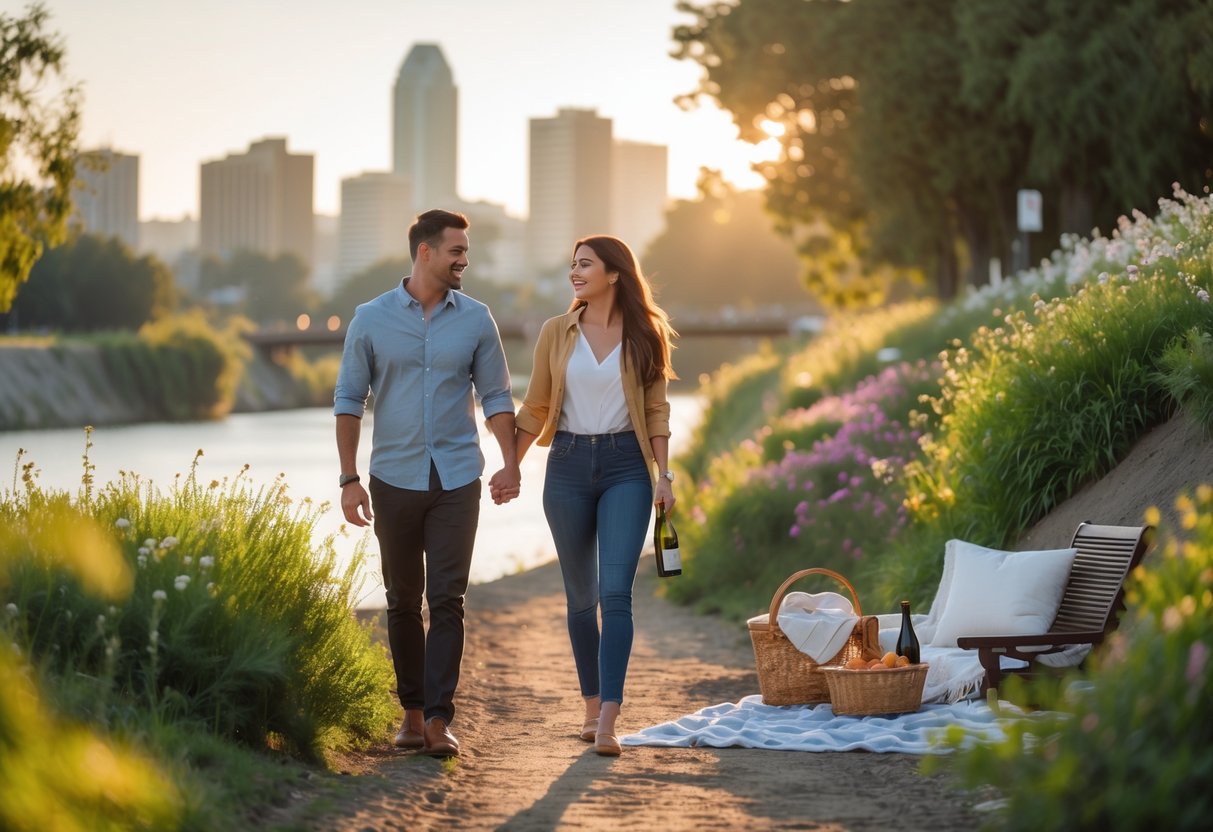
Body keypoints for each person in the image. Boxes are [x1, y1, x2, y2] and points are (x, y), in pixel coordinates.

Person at [334, 209, 520, 758]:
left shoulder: (477, 319)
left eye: (466, 251)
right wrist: (349, 479)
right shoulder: (370, 318)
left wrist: (510, 463)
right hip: (392, 476)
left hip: (458, 477)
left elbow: (497, 397)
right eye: (456, 251)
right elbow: (349, 402)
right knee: (400, 600)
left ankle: (439, 720)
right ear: (425, 252)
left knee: (447, 599)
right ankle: (411, 716)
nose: (465, 259)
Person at [514, 235, 677, 757]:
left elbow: (656, 410)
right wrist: (508, 467)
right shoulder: (555, 333)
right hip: (565, 466)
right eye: (572, 265)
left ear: (613, 274)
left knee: (615, 594)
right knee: (581, 600)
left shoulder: (646, 335)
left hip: (627, 468)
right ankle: (589, 705)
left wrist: (664, 475)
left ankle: (609, 717)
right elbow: (536, 405)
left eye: (585, 265)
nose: (575, 273)